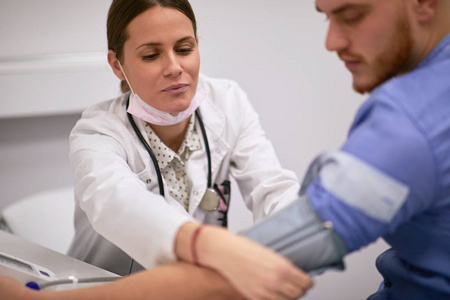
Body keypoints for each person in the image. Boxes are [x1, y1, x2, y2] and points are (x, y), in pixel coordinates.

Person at [63, 0, 311, 299]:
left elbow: (272, 187)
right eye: (152, 55)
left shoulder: (228, 103)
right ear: (117, 65)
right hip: (107, 289)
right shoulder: (98, 132)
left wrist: (302, 228)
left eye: (184, 49)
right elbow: (119, 204)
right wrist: (210, 245)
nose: (174, 68)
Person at [244, 0, 450, 299]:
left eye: (351, 16)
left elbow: (263, 258)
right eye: (326, 19)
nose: (331, 42)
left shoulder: (410, 120)